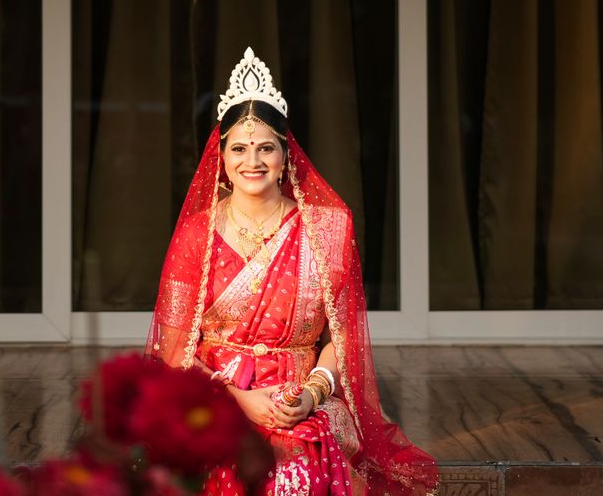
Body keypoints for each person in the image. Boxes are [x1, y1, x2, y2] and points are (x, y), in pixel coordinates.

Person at [146, 47, 438, 496]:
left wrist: (312, 394)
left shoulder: (328, 227)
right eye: (239, 148)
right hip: (216, 398)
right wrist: (239, 400)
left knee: (294, 468)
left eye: (267, 147)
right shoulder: (196, 234)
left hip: (303, 400)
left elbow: (341, 338)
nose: (253, 160)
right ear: (221, 159)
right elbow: (172, 351)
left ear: (287, 156)